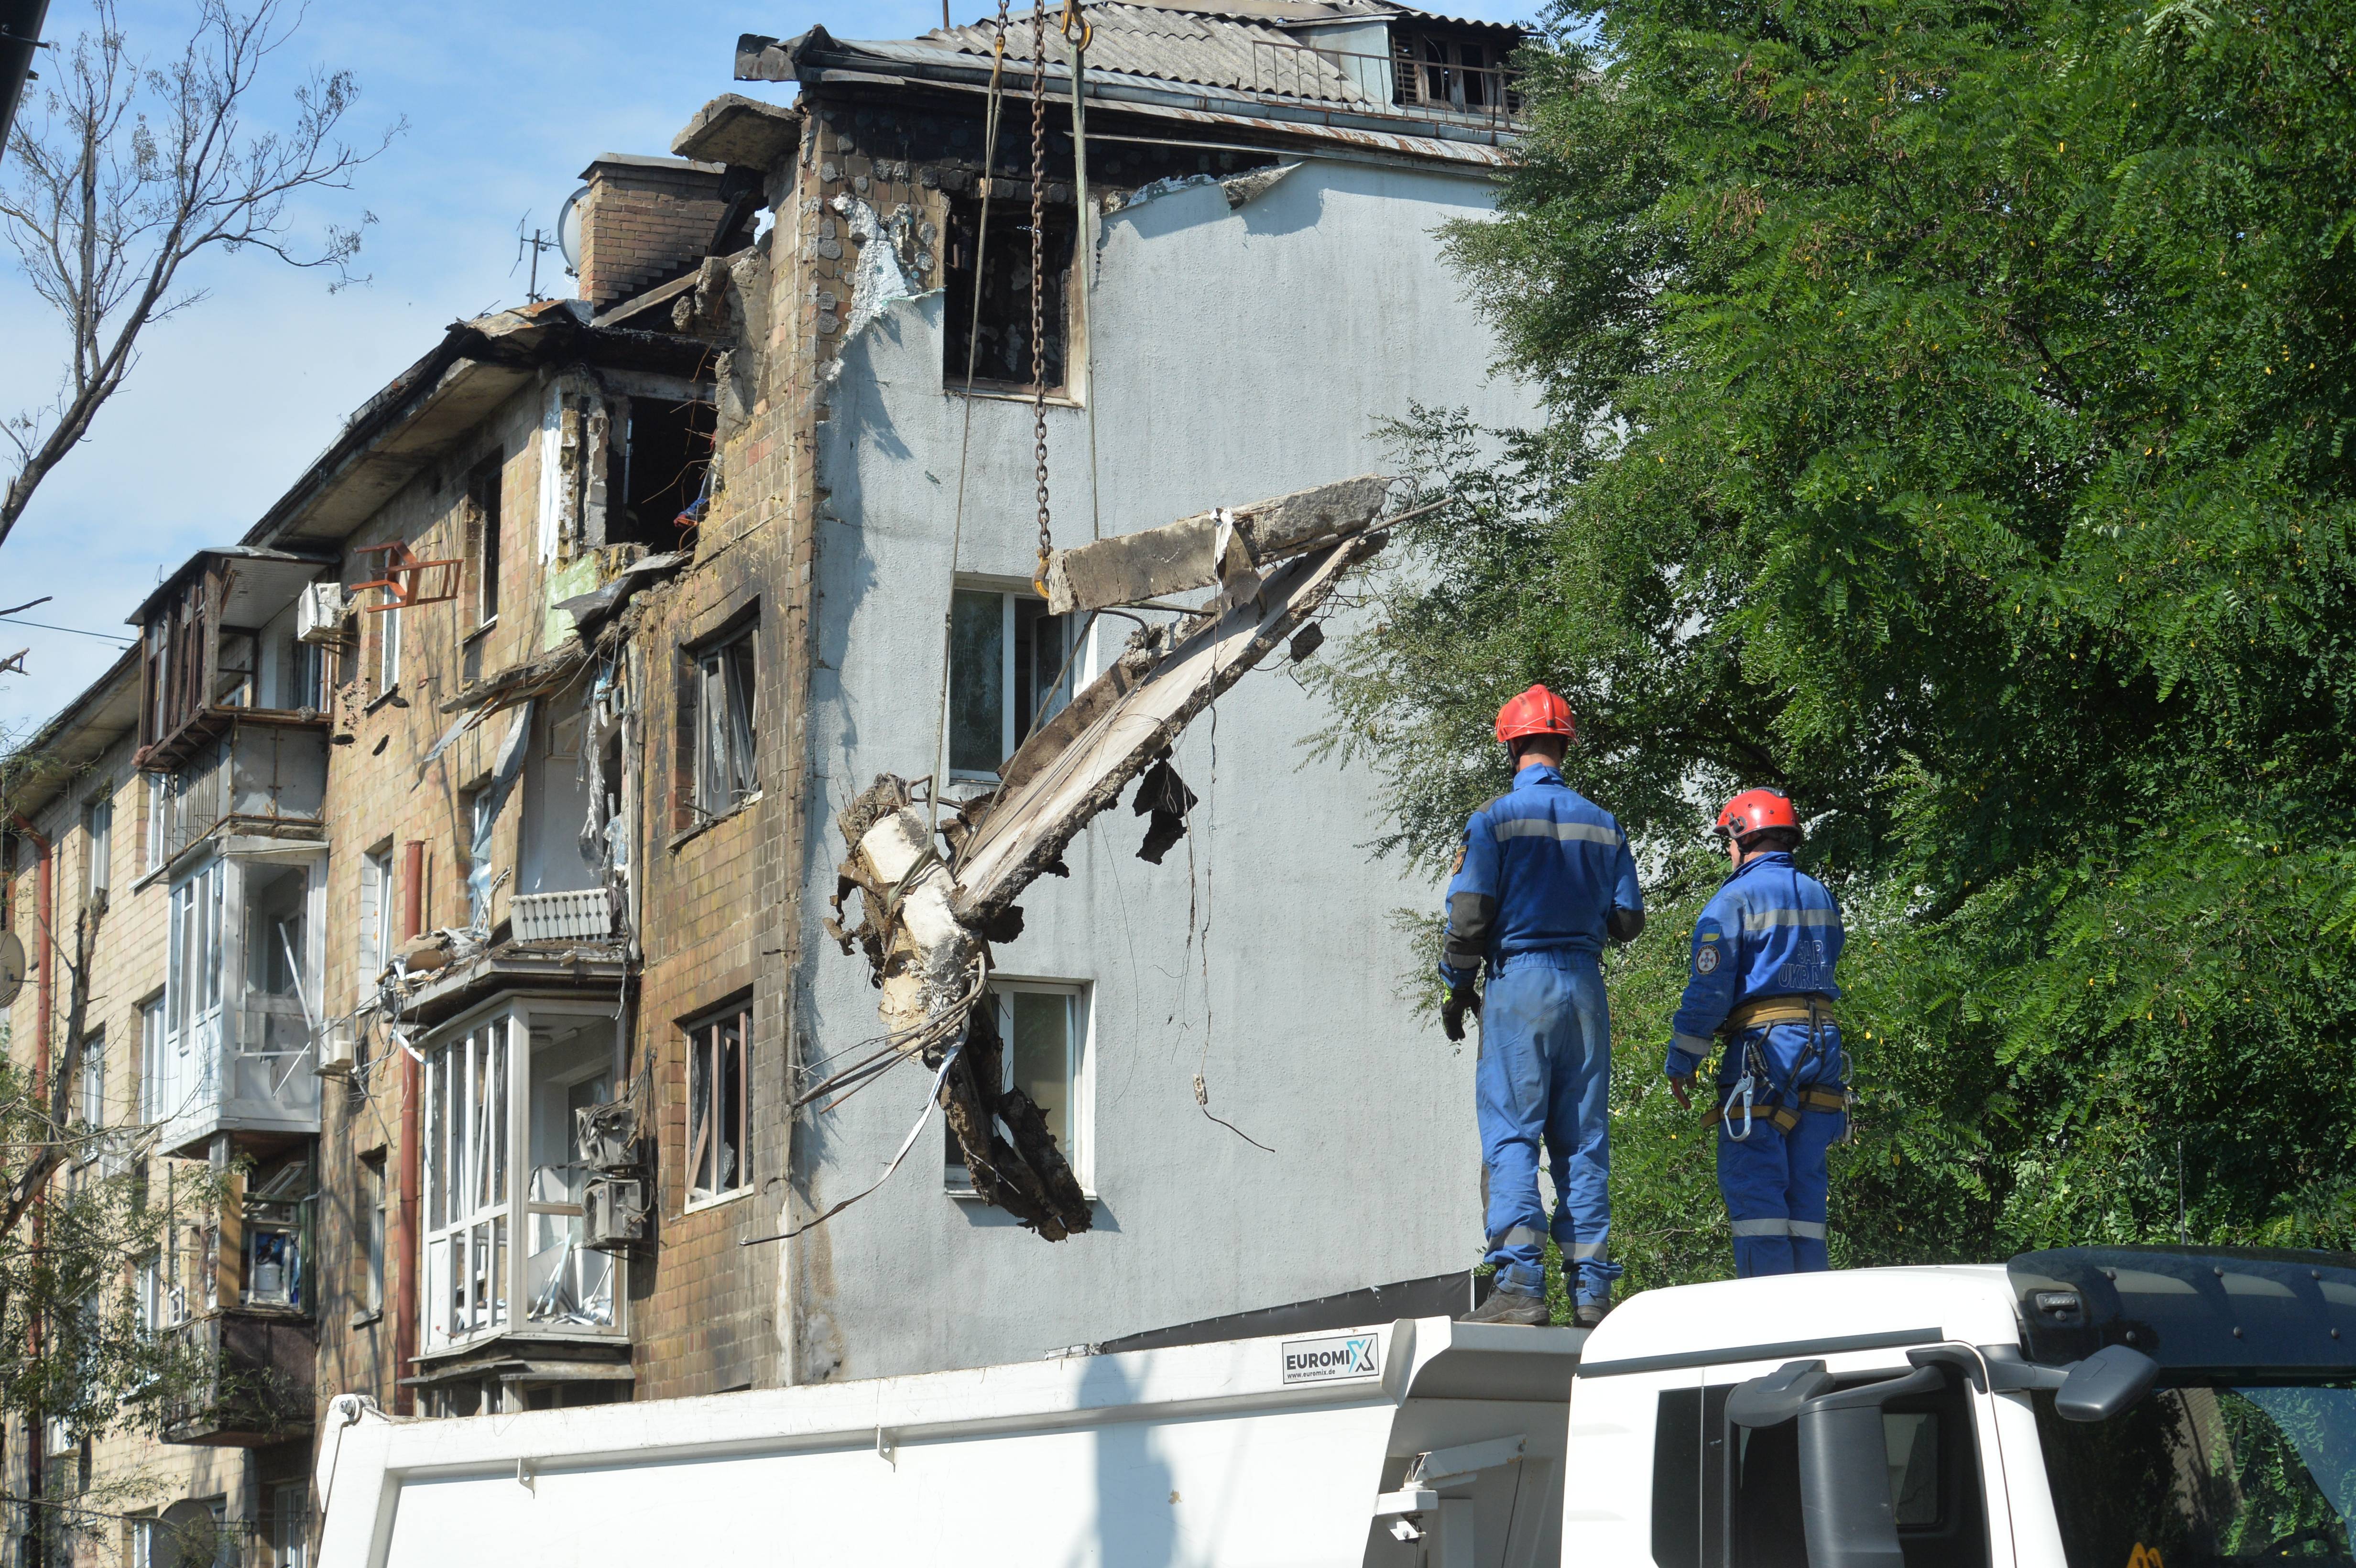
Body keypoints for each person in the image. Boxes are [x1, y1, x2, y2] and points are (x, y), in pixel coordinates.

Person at [1440, 685, 1644, 1328]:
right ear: (1564, 745)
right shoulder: (1604, 823)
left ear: (1511, 745)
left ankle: (1521, 1286)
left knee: (1512, 1135)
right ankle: (1591, 1293)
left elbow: (1469, 918)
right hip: (1584, 986)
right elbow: (1629, 919)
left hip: (1519, 985)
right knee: (1583, 1141)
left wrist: (1456, 984)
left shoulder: (1493, 821)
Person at [1664, 788, 1849, 1276]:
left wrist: (1683, 1057)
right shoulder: (1820, 894)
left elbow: (1709, 988)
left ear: (1744, 837)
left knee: (1756, 1186)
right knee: (1806, 1188)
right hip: (1823, 1046)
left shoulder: (1734, 898)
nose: (1728, 851)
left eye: (1728, 840)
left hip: (1763, 1052)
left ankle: (1768, 1312)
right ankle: (1812, 1304)